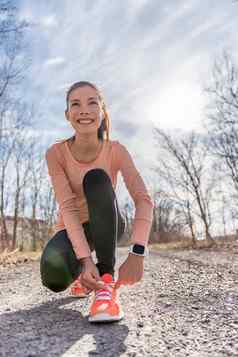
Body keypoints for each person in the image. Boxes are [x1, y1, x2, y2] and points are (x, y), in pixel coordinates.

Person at [40, 81, 154, 323]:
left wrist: (138, 253)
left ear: (102, 111)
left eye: (92, 103)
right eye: (76, 104)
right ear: (67, 114)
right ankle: (85, 276)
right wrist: (84, 261)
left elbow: (143, 200)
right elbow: (68, 208)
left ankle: (105, 284)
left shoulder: (116, 151)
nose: (84, 110)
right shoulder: (55, 153)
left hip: (107, 220)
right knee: (53, 275)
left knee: (96, 179)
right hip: (73, 227)